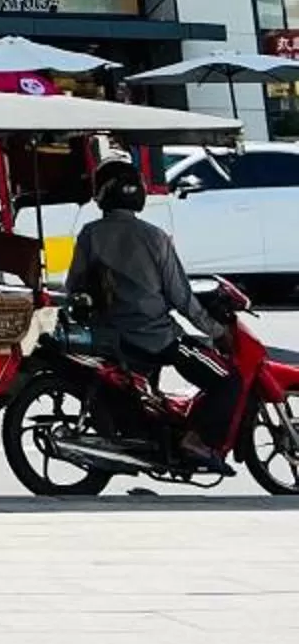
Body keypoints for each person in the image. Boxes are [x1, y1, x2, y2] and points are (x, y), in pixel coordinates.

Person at [66, 157, 240, 462]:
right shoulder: (154, 237)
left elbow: (74, 286)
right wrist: (216, 330)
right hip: (156, 338)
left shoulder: (90, 235)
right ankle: (196, 440)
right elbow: (181, 298)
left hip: (111, 337)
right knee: (228, 381)